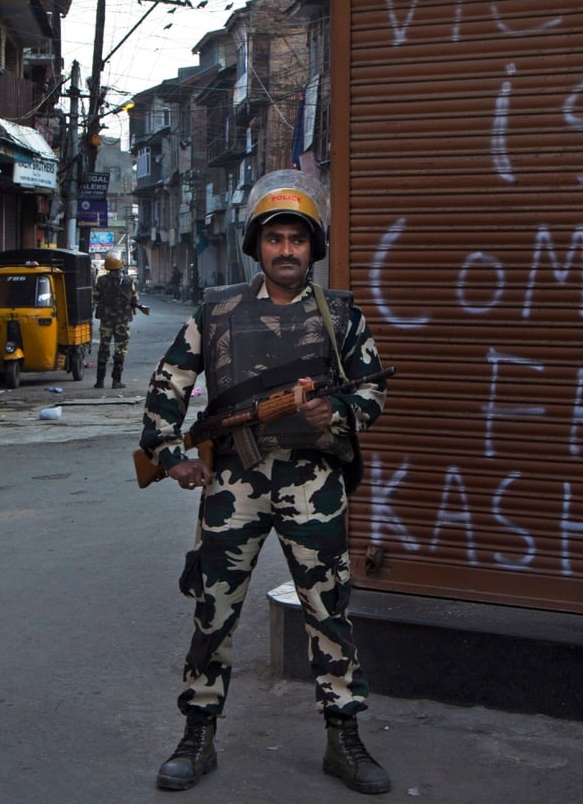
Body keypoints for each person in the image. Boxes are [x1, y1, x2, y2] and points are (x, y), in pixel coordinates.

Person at [139, 170, 391, 794]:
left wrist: (333, 413)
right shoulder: (217, 312)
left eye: (297, 240)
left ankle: (344, 735)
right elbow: (166, 389)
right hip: (234, 483)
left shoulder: (340, 316)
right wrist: (172, 457)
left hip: (313, 481)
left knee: (328, 611)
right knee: (214, 610)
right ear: (258, 246)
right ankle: (198, 732)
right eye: (275, 238)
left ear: (313, 249)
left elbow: (372, 389)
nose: (286, 250)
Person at [92, 255, 140, 389]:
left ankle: (100, 381)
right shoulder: (128, 280)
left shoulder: (101, 280)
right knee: (120, 349)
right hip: (122, 320)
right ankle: (116, 381)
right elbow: (134, 299)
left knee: (104, 347)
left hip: (106, 319)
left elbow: (95, 298)